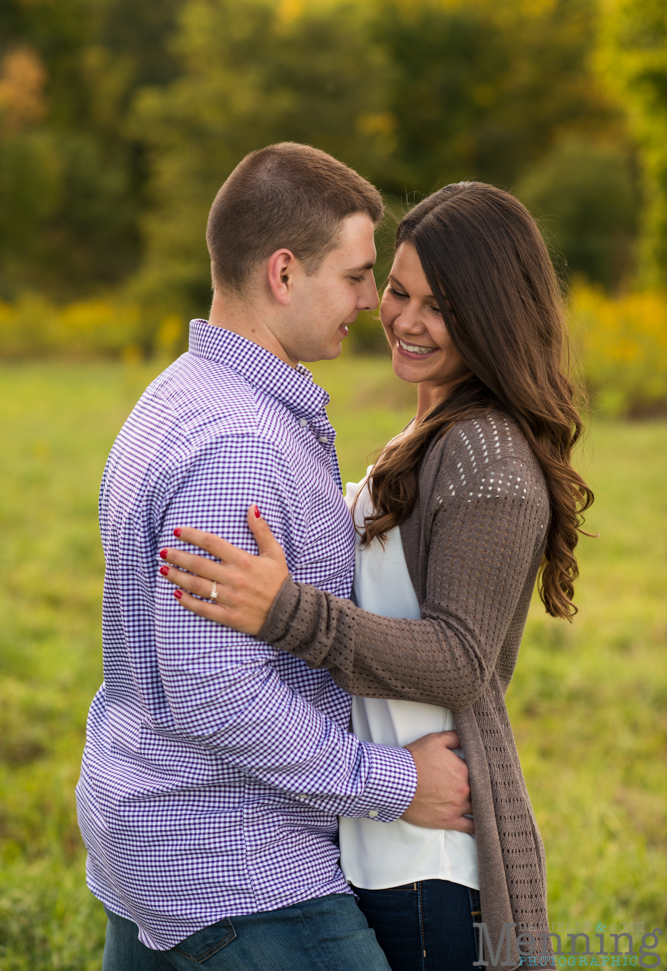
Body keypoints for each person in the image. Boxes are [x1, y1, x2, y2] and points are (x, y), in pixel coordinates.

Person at [158, 182, 594, 971]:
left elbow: (460, 660)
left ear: (495, 314)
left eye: (444, 306)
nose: (403, 318)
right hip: (376, 836)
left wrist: (288, 611)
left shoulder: (485, 454)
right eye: (396, 289)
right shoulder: (424, 435)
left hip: (428, 864)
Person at [76, 143, 475, 971]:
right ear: (284, 274)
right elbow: (217, 691)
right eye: (357, 276)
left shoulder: (179, 393)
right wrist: (398, 784)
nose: (372, 304)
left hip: (151, 832)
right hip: (235, 862)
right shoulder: (239, 444)